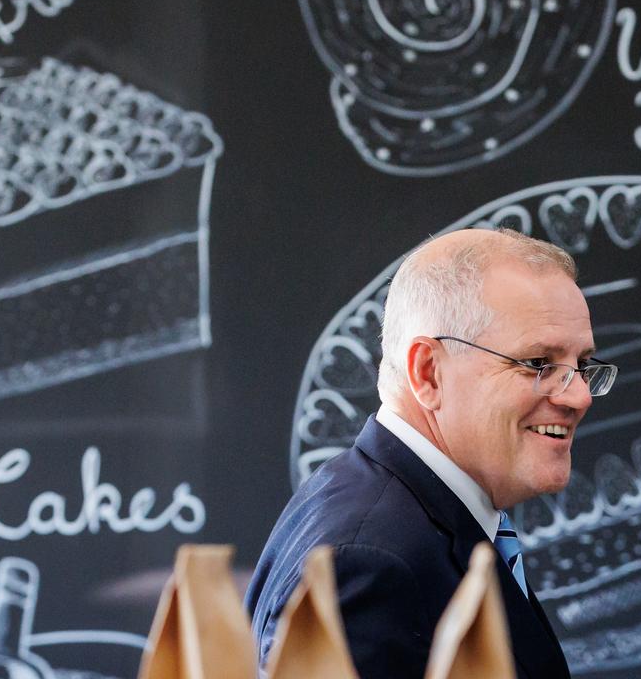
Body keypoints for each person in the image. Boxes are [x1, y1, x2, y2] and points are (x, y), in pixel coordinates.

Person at [245, 228, 617, 678]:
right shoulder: (371, 562)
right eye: (538, 364)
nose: (578, 396)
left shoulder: (378, 504)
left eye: (580, 366)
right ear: (428, 373)